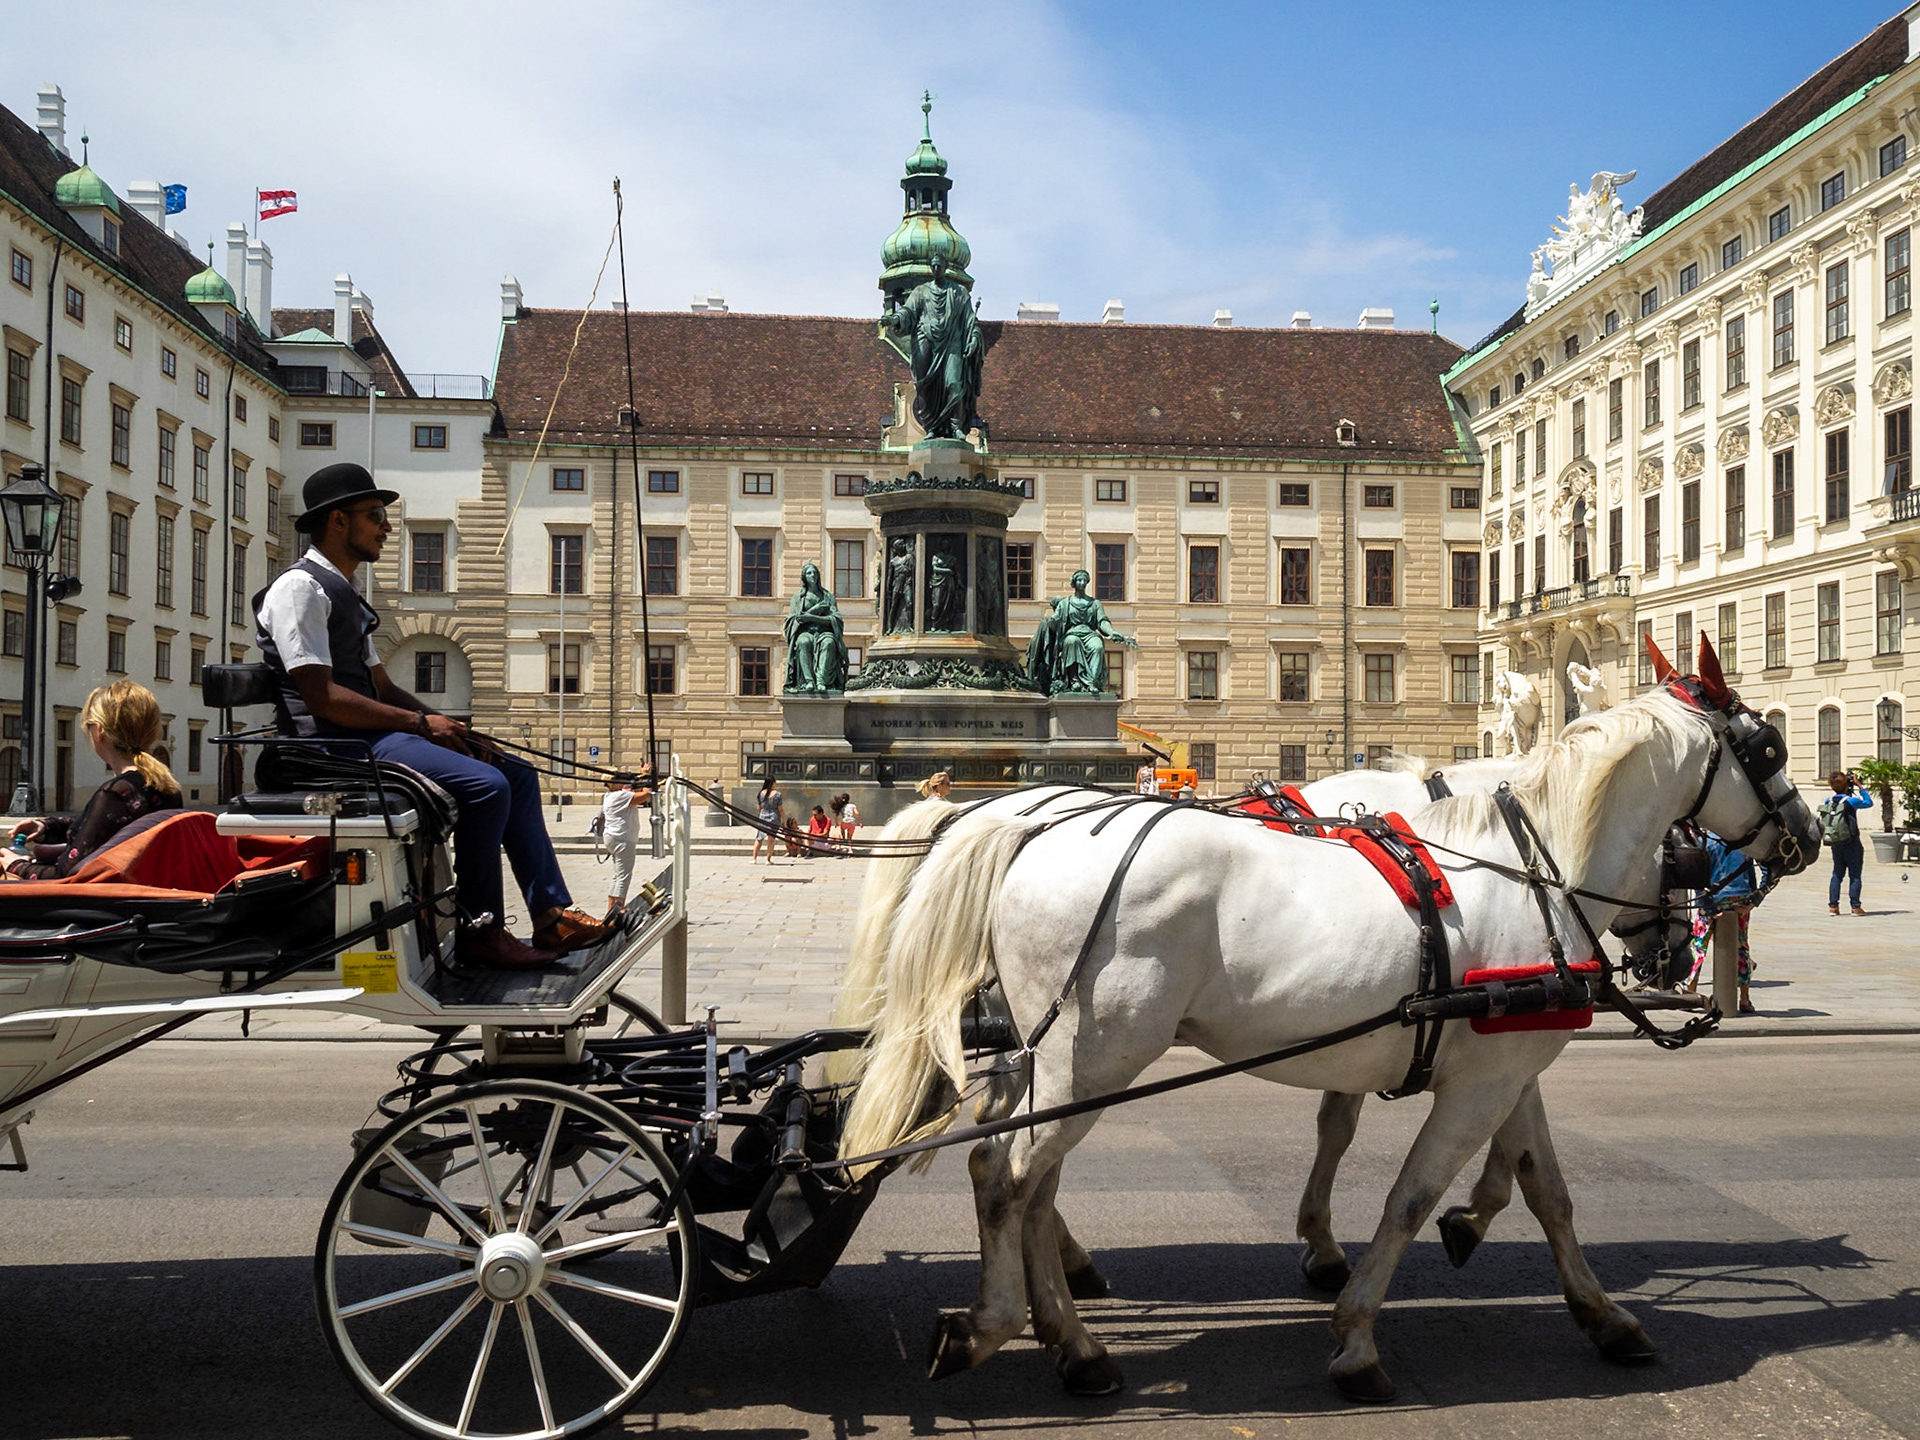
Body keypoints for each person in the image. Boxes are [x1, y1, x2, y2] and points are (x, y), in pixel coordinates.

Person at [253, 462, 611, 969]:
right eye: (375, 514)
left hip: (370, 736)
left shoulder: (344, 593)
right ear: (337, 521)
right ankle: (479, 930)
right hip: (337, 747)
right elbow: (324, 700)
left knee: (517, 772)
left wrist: (453, 728)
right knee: (488, 787)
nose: (386, 525)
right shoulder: (298, 590)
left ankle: (550, 915)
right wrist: (422, 725)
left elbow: (382, 686)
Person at [3, 682, 181, 880]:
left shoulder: (117, 793)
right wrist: (45, 827)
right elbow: (100, 828)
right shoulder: (165, 786)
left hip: (103, 903)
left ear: (99, 731)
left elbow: (65, 875)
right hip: (144, 897)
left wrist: (15, 865)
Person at [1683, 832, 1765, 1015]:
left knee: (1698, 945)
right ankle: (1744, 998)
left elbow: (1698, 875)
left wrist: (1705, 905)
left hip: (1713, 897)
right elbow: (1761, 868)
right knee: (1741, 947)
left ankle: (1690, 992)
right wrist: (1755, 898)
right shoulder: (1745, 840)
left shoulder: (1707, 841)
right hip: (1741, 897)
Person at [599, 772, 654, 915]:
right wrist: (648, 777)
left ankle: (611, 909)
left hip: (613, 837)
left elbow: (632, 791)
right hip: (622, 838)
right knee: (623, 876)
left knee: (617, 876)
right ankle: (618, 910)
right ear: (615, 783)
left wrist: (641, 775)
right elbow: (645, 796)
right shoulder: (620, 796)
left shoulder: (610, 795)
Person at [1820, 769, 1872, 916]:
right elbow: (1868, 803)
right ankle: (1855, 907)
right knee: (1855, 875)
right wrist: (1859, 785)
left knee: (1837, 874)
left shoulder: (1827, 801)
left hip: (1836, 842)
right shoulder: (1851, 801)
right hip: (1852, 843)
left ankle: (1833, 907)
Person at [751, 776, 784, 865]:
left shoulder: (761, 793)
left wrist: (762, 813)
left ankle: (754, 858)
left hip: (763, 816)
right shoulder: (777, 794)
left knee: (759, 838)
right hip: (774, 817)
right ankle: (768, 859)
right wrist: (783, 819)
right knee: (771, 839)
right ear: (773, 782)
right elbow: (780, 808)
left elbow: (758, 807)